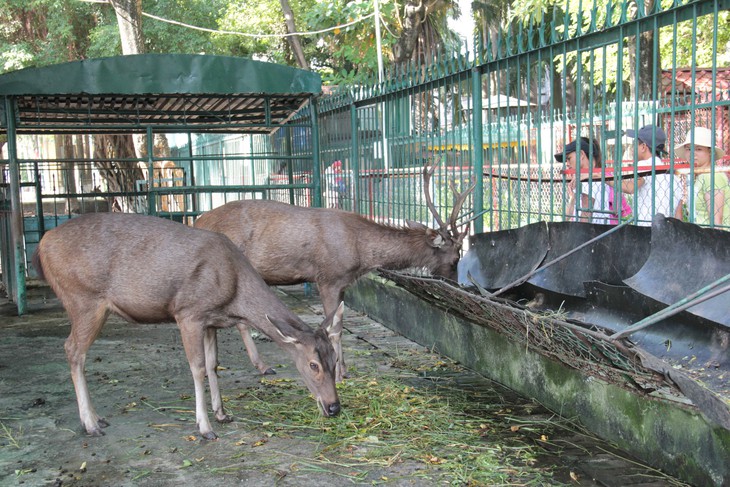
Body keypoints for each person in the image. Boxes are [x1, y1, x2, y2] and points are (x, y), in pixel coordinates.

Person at [618, 125, 683, 226]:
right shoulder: (672, 176)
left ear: (643, 147)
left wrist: (605, 179)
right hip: (667, 232)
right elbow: (679, 216)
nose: (632, 149)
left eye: (635, 144)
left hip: (646, 230)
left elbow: (630, 188)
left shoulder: (644, 165)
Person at [674, 126, 729, 227]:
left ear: (710, 152)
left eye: (699, 149)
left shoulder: (713, 176)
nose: (692, 153)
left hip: (713, 238)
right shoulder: (699, 176)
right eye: (689, 149)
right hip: (700, 237)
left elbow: (716, 220)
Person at [555, 137, 614, 224]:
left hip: (589, 234)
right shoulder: (584, 177)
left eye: (569, 158)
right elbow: (568, 216)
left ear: (581, 154)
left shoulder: (591, 180)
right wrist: (573, 196)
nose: (567, 163)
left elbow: (585, 217)